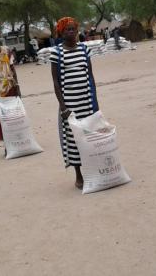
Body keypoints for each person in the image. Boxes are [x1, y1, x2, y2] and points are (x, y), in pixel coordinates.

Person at [50, 17, 99, 189]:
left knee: (89, 135)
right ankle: (78, 175)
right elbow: (56, 82)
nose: (71, 32)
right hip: (70, 104)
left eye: (73, 29)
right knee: (73, 139)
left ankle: (93, 170)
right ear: (61, 33)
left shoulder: (84, 49)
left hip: (86, 100)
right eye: (67, 30)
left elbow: (90, 76)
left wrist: (94, 100)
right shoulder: (56, 52)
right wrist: (63, 106)